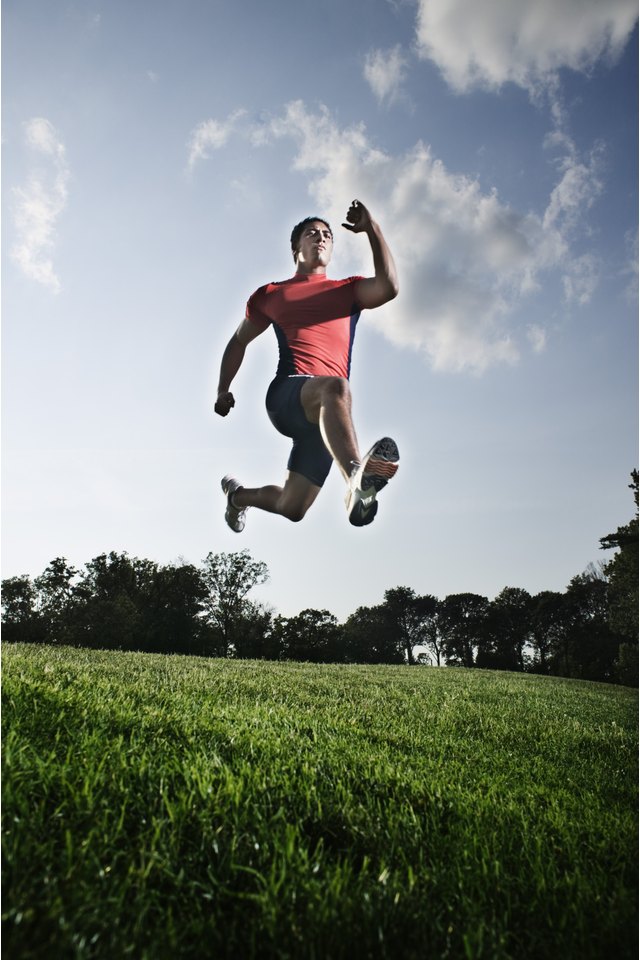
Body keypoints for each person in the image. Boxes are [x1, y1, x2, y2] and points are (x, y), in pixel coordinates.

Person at [214, 198, 399, 532]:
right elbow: (238, 340)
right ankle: (356, 477)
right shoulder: (271, 294)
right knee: (336, 386)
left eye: (327, 234)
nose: (321, 237)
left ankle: (237, 497)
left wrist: (372, 228)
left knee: (293, 507)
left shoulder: (349, 290)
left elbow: (389, 287)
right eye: (312, 233)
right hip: (288, 394)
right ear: (295, 247)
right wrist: (222, 389)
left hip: (326, 420)